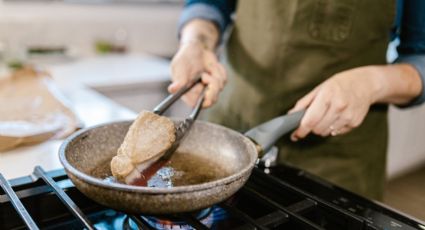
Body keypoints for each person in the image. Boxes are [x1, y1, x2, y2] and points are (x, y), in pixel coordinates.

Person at [169, 0, 425, 200]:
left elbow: (420, 57)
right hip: (229, 136)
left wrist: (372, 83)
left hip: (336, 163)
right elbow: (210, 3)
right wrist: (195, 41)